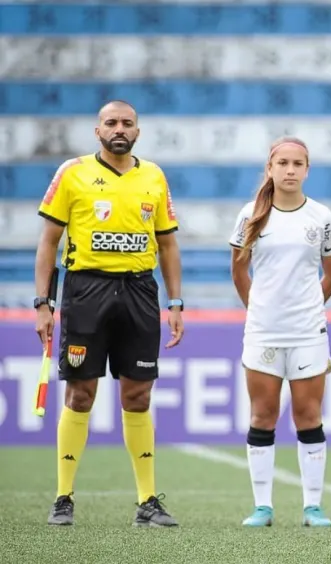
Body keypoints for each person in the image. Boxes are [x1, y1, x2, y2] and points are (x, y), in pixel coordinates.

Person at [34, 100, 184, 527]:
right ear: (97, 129)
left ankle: (147, 501)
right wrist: (43, 303)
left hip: (139, 291)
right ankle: (63, 497)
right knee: (81, 393)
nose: (119, 128)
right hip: (87, 291)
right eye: (111, 122)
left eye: (127, 123)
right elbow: (48, 242)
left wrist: (175, 303)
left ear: (137, 131)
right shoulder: (72, 172)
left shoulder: (153, 175)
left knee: (138, 395)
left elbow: (169, 244)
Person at [229, 137, 331, 528]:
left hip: (309, 332)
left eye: (298, 163)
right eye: (283, 163)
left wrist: (310, 306)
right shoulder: (250, 215)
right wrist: (258, 308)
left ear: (307, 169)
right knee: (263, 415)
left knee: (308, 415)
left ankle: (313, 506)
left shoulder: (322, 217)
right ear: (270, 168)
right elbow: (240, 272)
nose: (290, 170)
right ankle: (263, 506)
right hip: (262, 332)